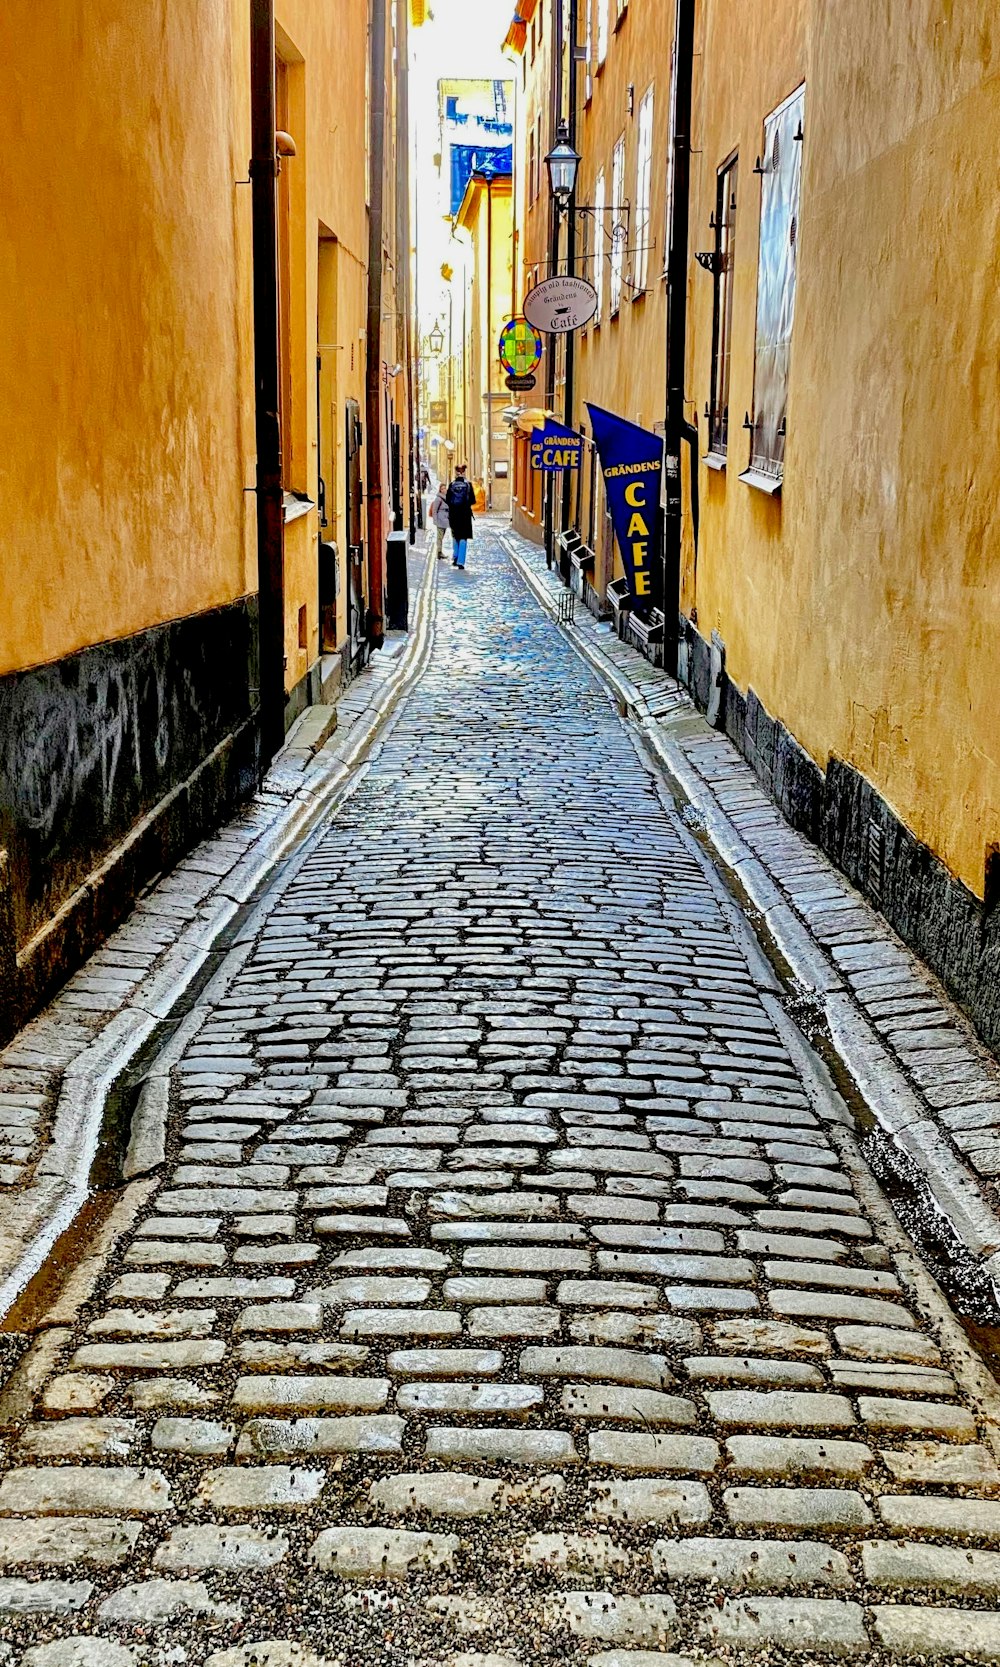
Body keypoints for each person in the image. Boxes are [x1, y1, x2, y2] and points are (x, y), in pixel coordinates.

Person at [445, 463, 475, 569]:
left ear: (456, 473)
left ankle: (455, 556)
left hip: (454, 514)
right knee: (463, 537)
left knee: (455, 535)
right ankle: (461, 562)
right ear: (464, 472)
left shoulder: (451, 484)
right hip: (465, 515)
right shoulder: (468, 485)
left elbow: (447, 500)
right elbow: (473, 500)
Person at [429, 482, 450, 559]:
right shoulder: (438, 499)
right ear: (440, 490)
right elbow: (434, 510)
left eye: (445, 488)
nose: (444, 490)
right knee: (439, 537)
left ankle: (439, 552)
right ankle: (439, 552)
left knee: (442, 537)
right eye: (442, 489)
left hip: (445, 520)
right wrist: (435, 521)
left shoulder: (448, 497)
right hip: (440, 520)